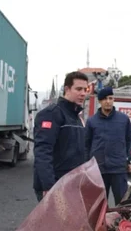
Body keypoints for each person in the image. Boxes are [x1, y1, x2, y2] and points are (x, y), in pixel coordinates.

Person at [33, 71, 89, 202]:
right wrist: (49, 187)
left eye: (85, 90)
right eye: (78, 89)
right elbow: (43, 153)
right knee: (53, 222)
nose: (83, 93)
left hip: (73, 184)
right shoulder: (51, 114)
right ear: (67, 89)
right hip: (55, 186)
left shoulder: (77, 118)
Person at [85, 86, 131, 204]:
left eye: (111, 98)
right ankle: (102, 223)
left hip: (118, 169)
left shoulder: (123, 119)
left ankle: (121, 222)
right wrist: (87, 165)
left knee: (122, 203)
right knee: (99, 204)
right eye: (105, 99)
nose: (108, 101)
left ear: (113, 100)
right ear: (100, 101)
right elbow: (86, 144)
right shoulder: (92, 121)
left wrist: (129, 160)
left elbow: (130, 140)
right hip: (99, 170)